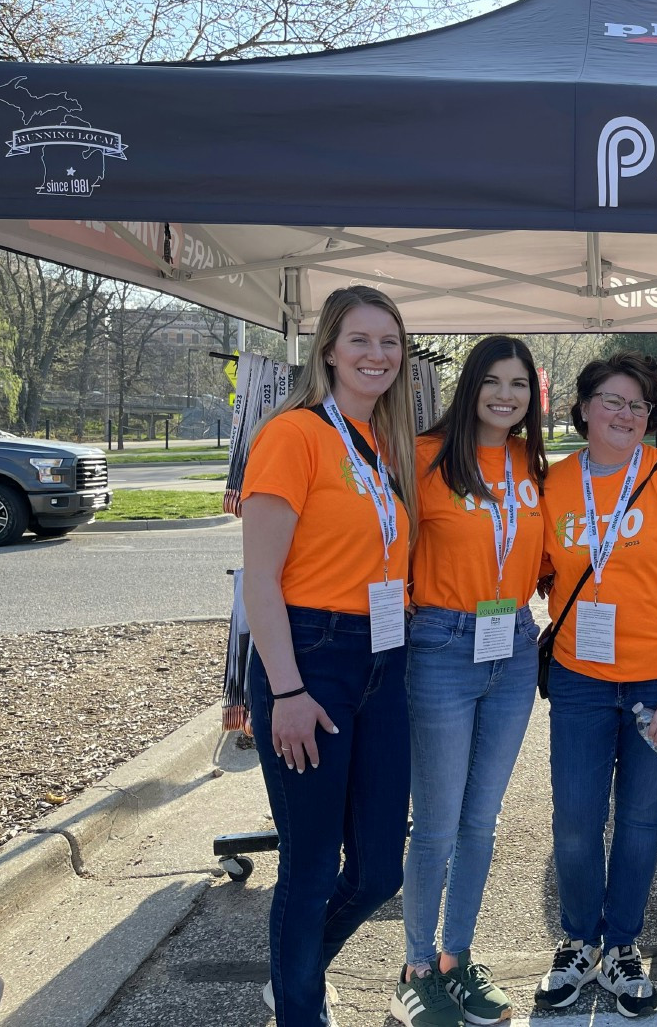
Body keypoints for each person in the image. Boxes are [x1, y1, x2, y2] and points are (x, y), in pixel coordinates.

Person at [241, 285, 418, 1027]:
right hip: (310, 660)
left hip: (384, 661)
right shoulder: (294, 434)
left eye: (389, 342)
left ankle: (295, 973)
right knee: (311, 864)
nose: (377, 355)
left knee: (379, 868)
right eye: (361, 340)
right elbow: (259, 578)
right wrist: (285, 691)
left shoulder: (381, 442)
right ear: (329, 351)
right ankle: (300, 1009)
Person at [534, 352, 657, 1020]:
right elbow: (528, 569)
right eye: (612, 401)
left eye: (639, 405)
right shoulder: (552, 485)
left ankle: (622, 947)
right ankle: (579, 941)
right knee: (577, 821)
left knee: (642, 820)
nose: (626, 414)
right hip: (581, 679)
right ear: (582, 408)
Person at [392, 337, 548, 1027]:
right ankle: (415, 966)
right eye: (493, 381)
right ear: (470, 388)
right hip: (441, 646)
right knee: (436, 826)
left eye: (518, 384)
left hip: (513, 645)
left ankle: (457, 957)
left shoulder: (527, 463)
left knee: (481, 821)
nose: (506, 396)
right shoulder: (425, 456)